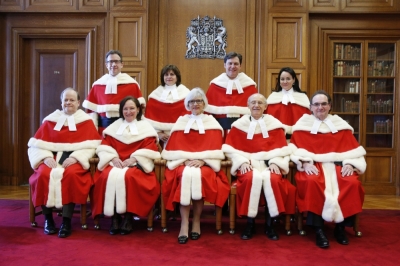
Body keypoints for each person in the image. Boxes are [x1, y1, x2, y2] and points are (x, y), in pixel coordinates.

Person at [289, 90, 366, 248]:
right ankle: (318, 230)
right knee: (311, 182)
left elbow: (354, 151)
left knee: (352, 183)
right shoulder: (302, 126)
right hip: (314, 165)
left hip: (339, 165)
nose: (320, 107)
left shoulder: (340, 125)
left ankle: (340, 228)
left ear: (330, 106)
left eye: (324, 104)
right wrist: (304, 163)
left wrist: (350, 164)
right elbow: (294, 150)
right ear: (310, 107)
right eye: (316, 104)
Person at [28, 88, 101, 238]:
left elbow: (92, 146)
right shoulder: (51, 120)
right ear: (61, 102)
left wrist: (77, 157)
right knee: (42, 174)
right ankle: (48, 219)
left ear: (79, 103)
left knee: (71, 175)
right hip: (51, 158)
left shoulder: (86, 121)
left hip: (73, 159)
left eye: (72, 100)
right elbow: (36, 144)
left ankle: (66, 221)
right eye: (65, 100)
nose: (68, 102)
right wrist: (44, 157)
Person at [222, 93, 296, 240]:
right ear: (248, 106)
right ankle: (250, 223)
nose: (256, 105)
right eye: (253, 102)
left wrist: (275, 161)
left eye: (260, 103)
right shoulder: (239, 126)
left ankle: (270, 224)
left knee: (274, 180)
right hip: (248, 164)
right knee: (249, 178)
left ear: (265, 107)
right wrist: (241, 161)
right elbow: (230, 150)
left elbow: (283, 150)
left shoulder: (274, 125)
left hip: (270, 164)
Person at [161, 88, 230, 244]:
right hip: (182, 163)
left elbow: (217, 148)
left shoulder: (212, 122)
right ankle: (184, 223)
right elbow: (172, 148)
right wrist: (183, 160)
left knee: (201, 176)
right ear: (187, 104)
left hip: (205, 165)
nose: (195, 104)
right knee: (183, 176)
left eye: (199, 101)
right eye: (192, 101)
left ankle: (196, 221)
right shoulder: (181, 122)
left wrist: (204, 160)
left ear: (204, 103)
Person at [91, 96, 161, 235]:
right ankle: (114, 218)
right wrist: (113, 157)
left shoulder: (145, 127)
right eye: (125, 109)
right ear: (121, 111)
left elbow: (151, 148)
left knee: (130, 177)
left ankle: (128, 217)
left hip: (136, 164)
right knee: (105, 176)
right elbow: (104, 146)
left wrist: (135, 158)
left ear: (138, 110)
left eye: (132, 108)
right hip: (115, 163)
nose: (129, 112)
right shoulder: (114, 127)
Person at [83, 50, 145, 134]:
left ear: (121, 64)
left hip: (126, 130)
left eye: (116, 61)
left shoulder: (132, 85)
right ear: (106, 65)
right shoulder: (97, 86)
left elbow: (139, 111)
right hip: (103, 130)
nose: (114, 64)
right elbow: (91, 112)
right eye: (111, 62)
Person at [205, 52, 257, 135]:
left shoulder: (250, 86)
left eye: (236, 64)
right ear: (225, 65)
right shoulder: (214, 86)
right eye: (230, 63)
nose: (233, 66)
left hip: (244, 131)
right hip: (220, 131)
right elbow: (206, 112)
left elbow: (258, 110)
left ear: (240, 66)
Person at [144, 64, 190, 144]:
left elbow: (189, 117)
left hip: (181, 134)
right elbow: (149, 119)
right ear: (163, 77)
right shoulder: (155, 95)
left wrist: (177, 133)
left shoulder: (187, 94)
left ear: (177, 77)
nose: (169, 77)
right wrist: (158, 134)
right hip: (161, 138)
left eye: (172, 74)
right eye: (166, 75)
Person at [266, 67, 310, 139]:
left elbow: (307, 118)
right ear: (279, 81)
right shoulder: (273, 96)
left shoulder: (302, 97)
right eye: (282, 79)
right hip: (276, 135)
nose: (285, 81)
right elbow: (268, 117)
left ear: (294, 80)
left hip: (298, 135)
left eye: (288, 79)